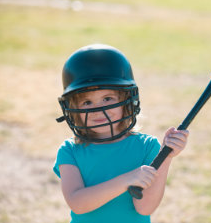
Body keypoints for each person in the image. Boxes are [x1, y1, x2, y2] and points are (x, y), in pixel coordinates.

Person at [53, 44, 189, 223]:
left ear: (126, 101)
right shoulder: (70, 151)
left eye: (107, 99)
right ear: (72, 108)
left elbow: (145, 208)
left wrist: (167, 157)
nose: (98, 109)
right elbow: (78, 203)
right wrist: (127, 179)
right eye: (86, 102)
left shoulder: (147, 146)